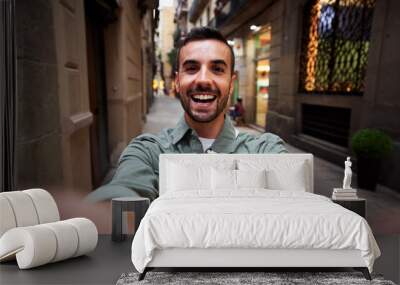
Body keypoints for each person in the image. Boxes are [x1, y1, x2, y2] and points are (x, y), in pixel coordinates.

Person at [86, 27, 287, 202]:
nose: (203, 79)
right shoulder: (148, 151)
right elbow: (122, 195)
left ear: (231, 83)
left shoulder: (265, 150)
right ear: (177, 81)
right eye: (191, 68)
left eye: (217, 69)